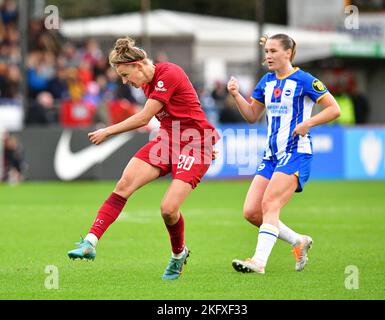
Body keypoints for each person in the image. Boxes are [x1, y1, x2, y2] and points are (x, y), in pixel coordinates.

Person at [67, 37, 219, 280]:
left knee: (168, 209)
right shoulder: (146, 83)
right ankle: (89, 242)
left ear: (139, 65)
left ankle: (179, 255)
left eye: (126, 75)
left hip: (195, 143)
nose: (126, 81)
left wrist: (107, 130)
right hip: (168, 140)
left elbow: (143, 118)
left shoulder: (168, 73)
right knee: (123, 185)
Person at [227, 34, 340, 274]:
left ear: (288, 53)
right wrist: (236, 94)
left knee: (270, 204)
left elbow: (334, 109)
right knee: (251, 212)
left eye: (273, 51)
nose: (268, 56)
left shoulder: (304, 79)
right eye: (266, 51)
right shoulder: (266, 82)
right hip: (271, 156)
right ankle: (298, 241)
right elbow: (251, 115)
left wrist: (309, 123)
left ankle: (259, 261)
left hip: (296, 152)